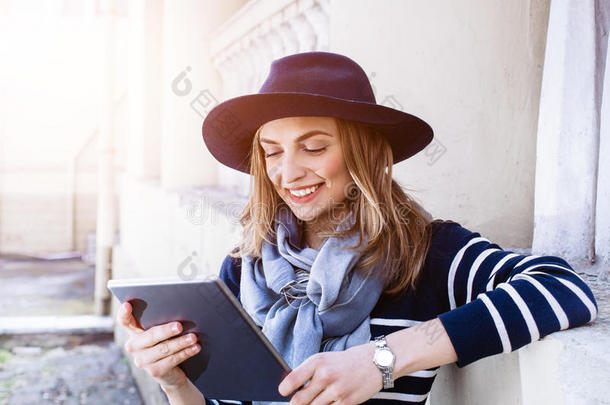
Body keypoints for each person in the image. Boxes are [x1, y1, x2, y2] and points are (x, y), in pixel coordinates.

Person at [117, 52, 599, 405]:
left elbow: (563, 290)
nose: (288, 173)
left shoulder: (426, 254)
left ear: (363, 154)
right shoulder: (245, 267)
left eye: (314, 146)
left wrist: (382, 360)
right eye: (273, 151)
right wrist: (176, 382)